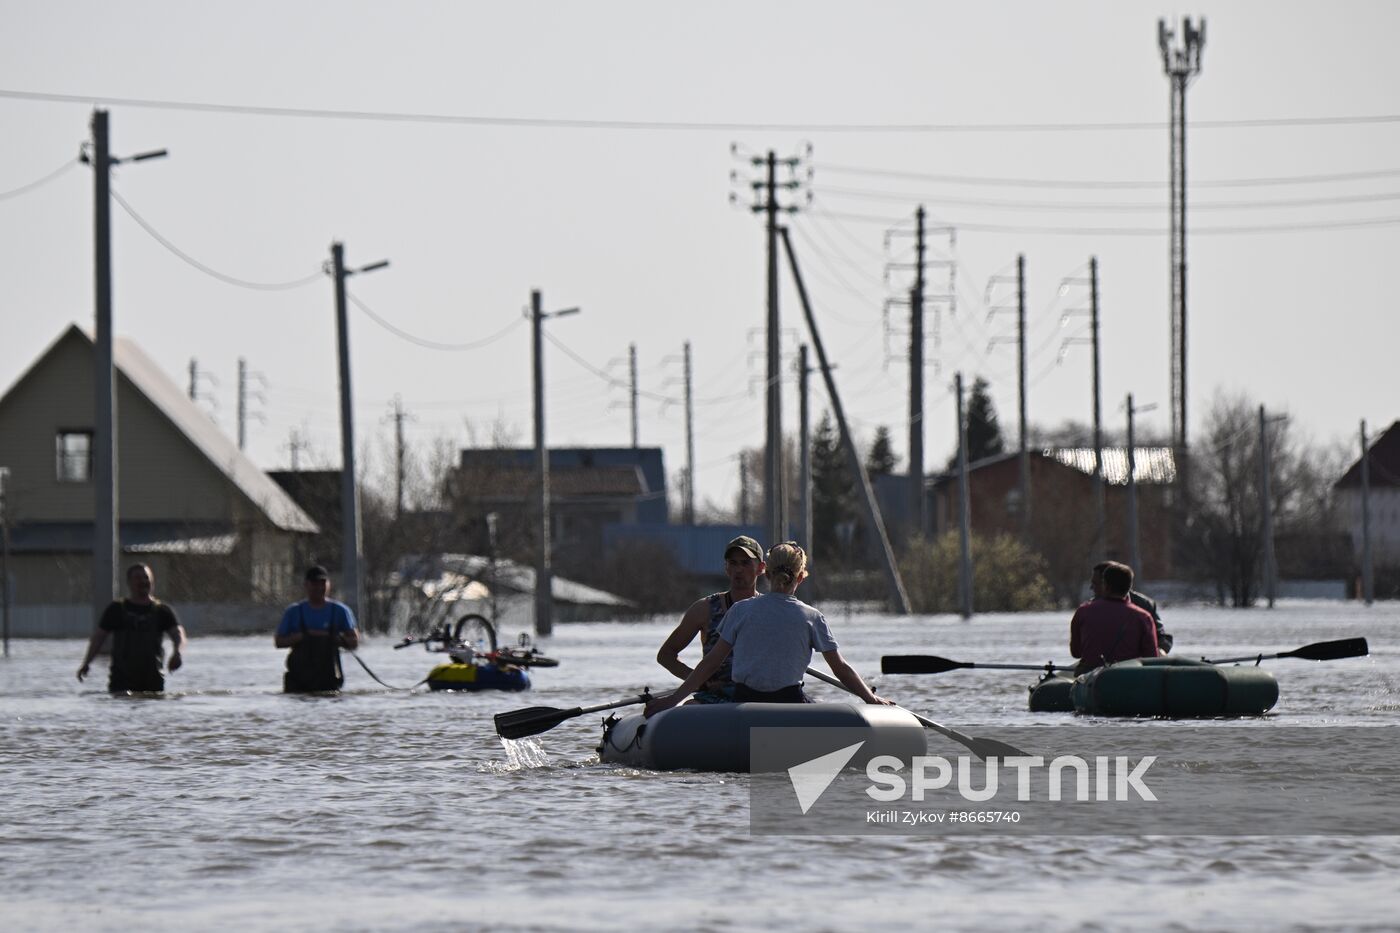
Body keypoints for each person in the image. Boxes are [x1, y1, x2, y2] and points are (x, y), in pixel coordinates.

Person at [645, 542, 892, 715]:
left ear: (766, 574)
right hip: (790, 701)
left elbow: (709, 663)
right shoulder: (812, 617)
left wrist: (674, 700)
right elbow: (841, 668)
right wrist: (870, 698)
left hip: (743, 701)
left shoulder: (740, 611)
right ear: (801, 577)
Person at [654, 535, 765, 703]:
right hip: (716, 696)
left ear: (761, 568)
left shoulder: (770, 609)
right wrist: (700, 681)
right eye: (733, 563)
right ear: (726, 568)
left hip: (760, 696)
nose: (738, 569)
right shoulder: (704, 609)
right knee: (689, 709)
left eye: (745, 563)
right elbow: (665, 655)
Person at [77, 562, 186, 693]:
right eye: (138, 578)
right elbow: (99, 638)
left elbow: (178, 635)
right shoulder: (116, 609)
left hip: (152, 680)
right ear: (129, 582)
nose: (143, 581)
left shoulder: (162, 610)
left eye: (146, 577)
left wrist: (177, 653)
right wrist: (87, 663)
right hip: (121, 681)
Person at [275, 565, 359, 693]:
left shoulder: (340, 611)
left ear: (329, 584)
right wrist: (300, 637)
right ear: (306, 585)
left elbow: (354, 642)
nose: (319, 587)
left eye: (323, 583)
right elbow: (279, 642)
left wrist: (333, 638)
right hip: (297, 683)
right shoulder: (294, 611)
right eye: (315, 583)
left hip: (328, 679)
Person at [1071, 561, 1159, 675]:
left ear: (1105, 585)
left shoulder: (1083, 611)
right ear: (1129, 587)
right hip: (1128, 678)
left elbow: (1076, 652)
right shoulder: (1143, 617)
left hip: (1092, 680)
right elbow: (1152, 659)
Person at [1091, 560, 1172, 654]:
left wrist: (1161, 651)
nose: (1091, 587)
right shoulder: (1089, 609)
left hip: (1137, 663)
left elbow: (1161, 638)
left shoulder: (1144, 605)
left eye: (1095, 583)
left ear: (1107, 583)